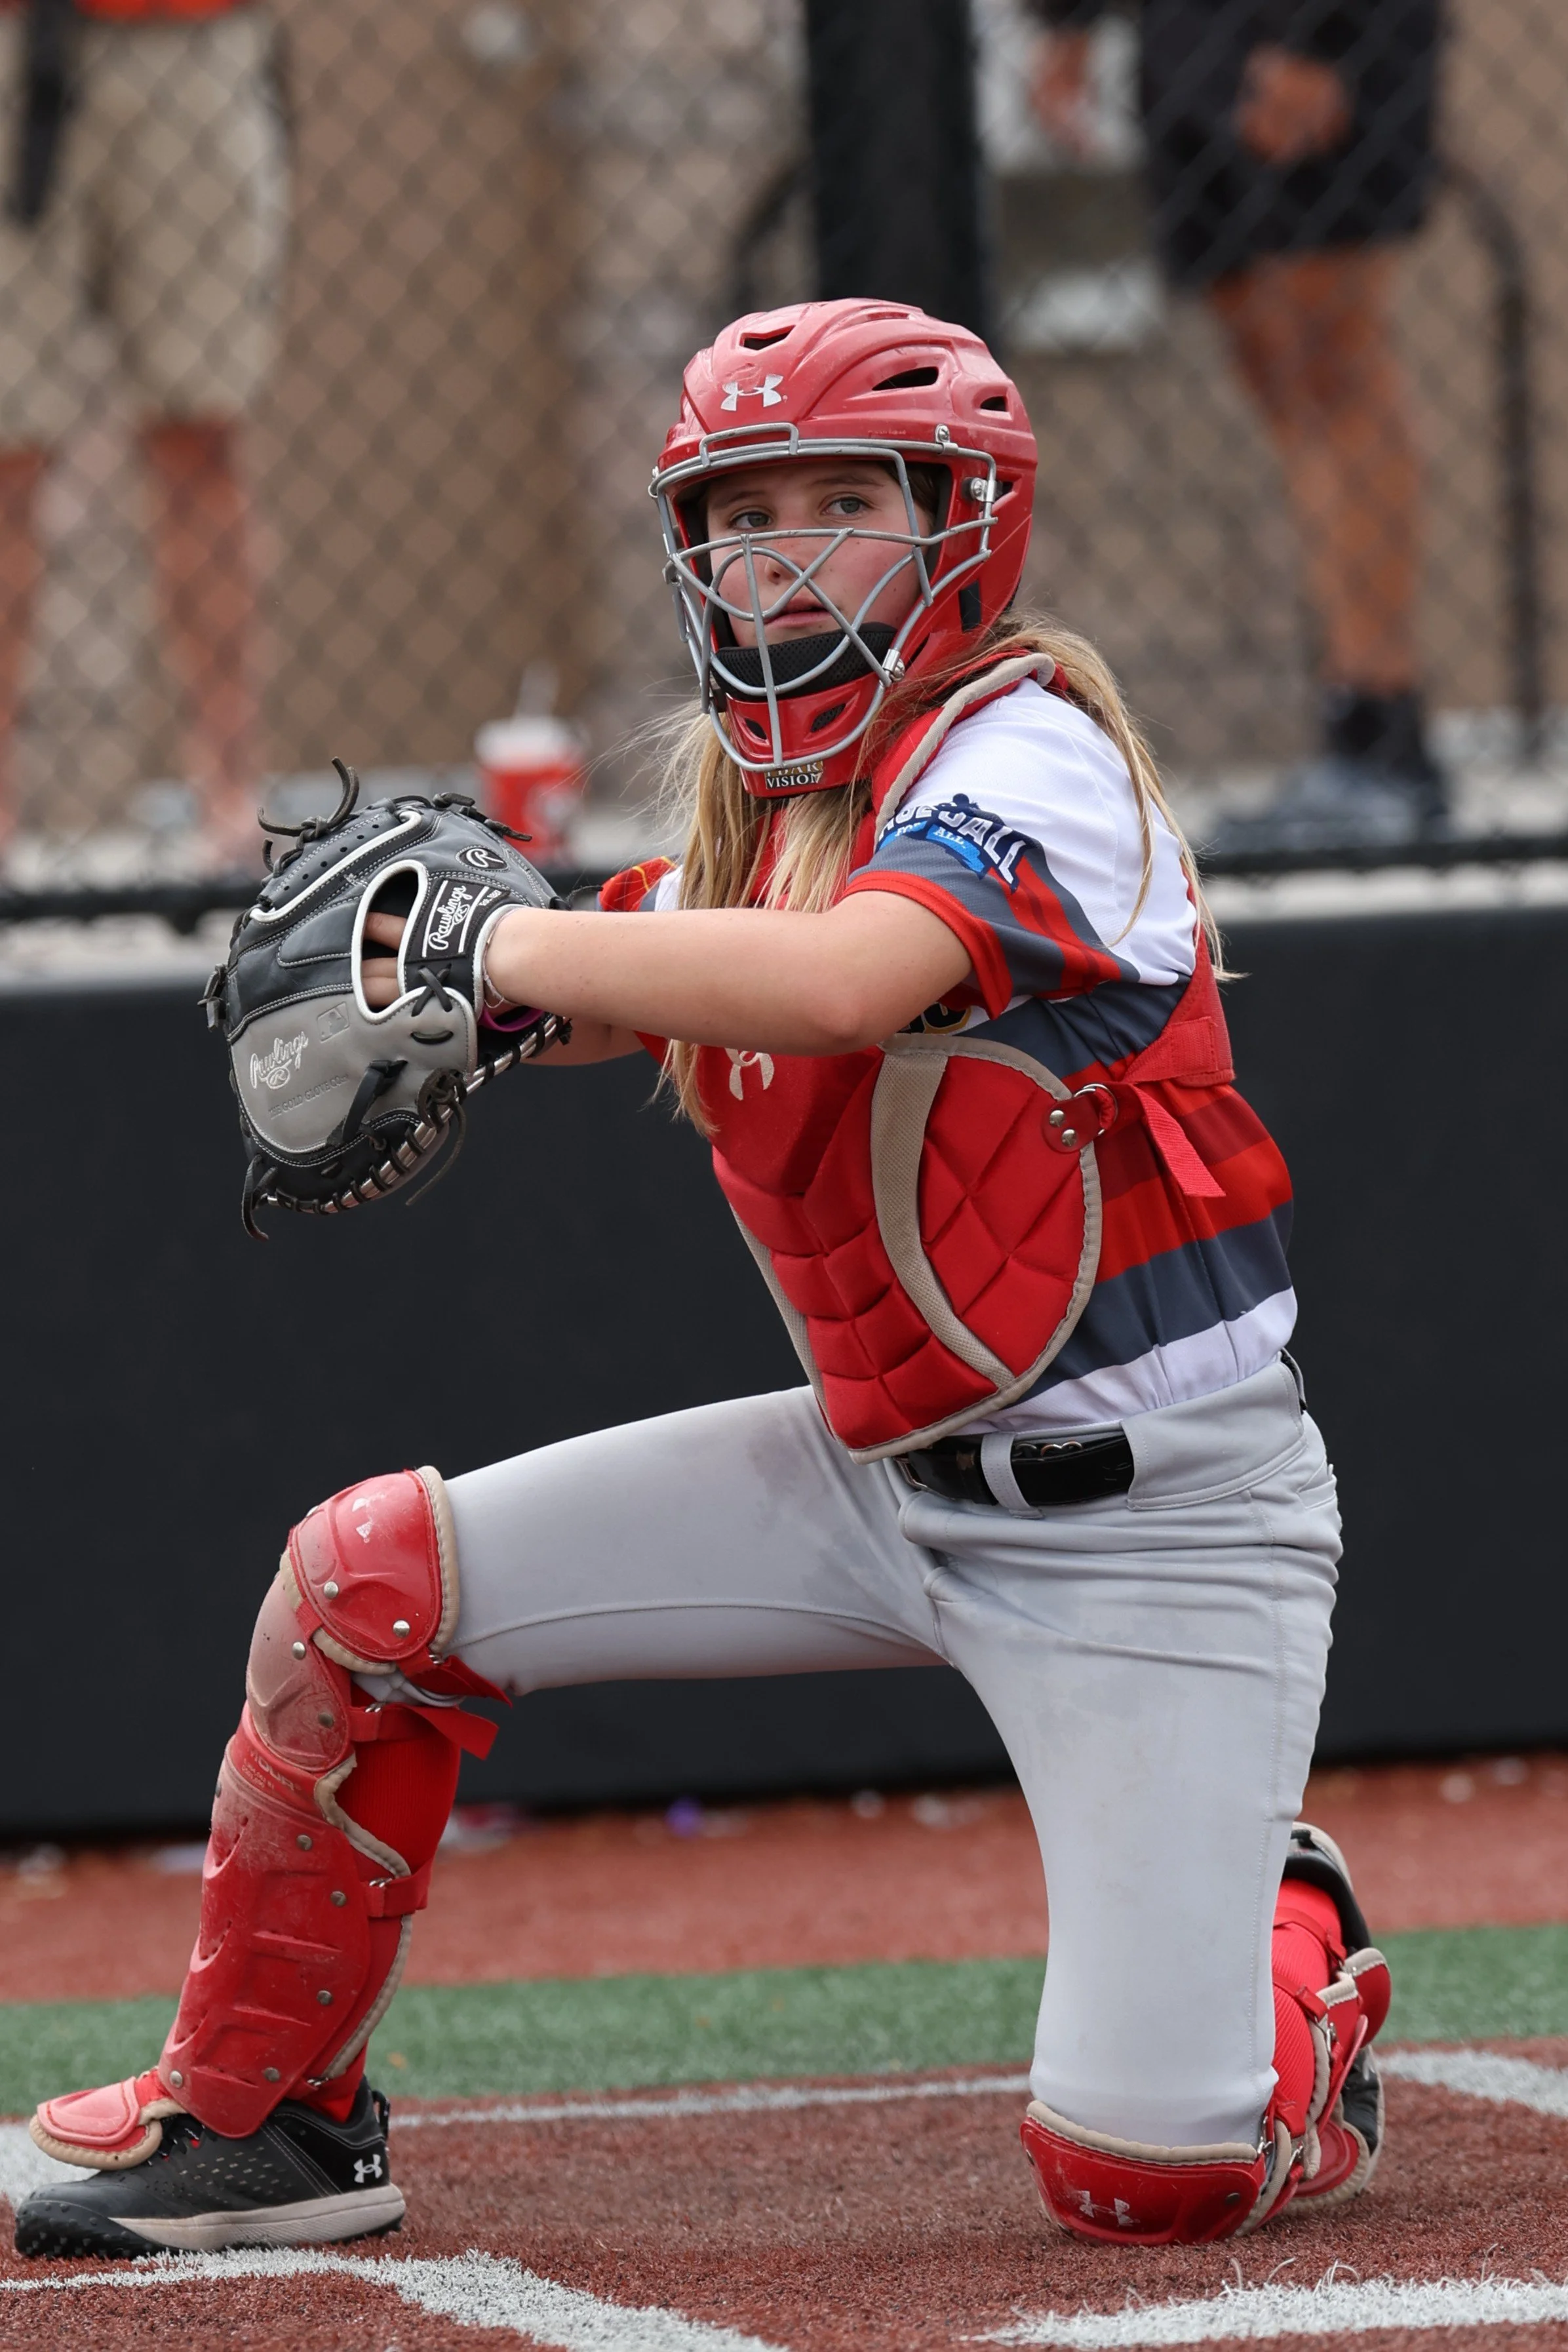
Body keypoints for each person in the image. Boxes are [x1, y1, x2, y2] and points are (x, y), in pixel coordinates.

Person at [15, 298, 1389, 2260]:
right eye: (745, 518)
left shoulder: (1032, 749)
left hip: (1156, 1526)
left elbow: (840, 982)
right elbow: (647, 960)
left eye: (844, 507)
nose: (782, 559)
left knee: (1147, 2173)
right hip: (874, 1478)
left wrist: (496, 952)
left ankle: (1290, 1936)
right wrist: (463, 992)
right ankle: (264, 2122)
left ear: (963, 527)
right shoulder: (763, 817)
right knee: (364, 1586)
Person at [1028, 0, 1445, 850]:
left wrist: (1321, 38)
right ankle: (1356, 737)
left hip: (1313, 33)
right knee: (1276, 373)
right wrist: (1068, 25)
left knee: (1334, 363)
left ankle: (1384, 737)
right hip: (1186, 39)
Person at [0, 0, 287, 867]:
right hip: (14, 44)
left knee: (201, 436)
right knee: (8, 459)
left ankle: (228, 792)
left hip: (190, 41)